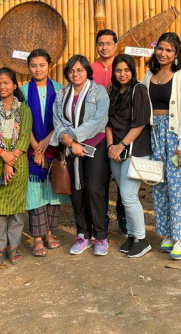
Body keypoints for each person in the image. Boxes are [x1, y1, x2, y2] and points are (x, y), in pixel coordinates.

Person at [141, 32, 181, 261]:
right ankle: (168, 233)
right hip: (156, 134)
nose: (163, 53)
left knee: (180, 187)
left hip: (177, 137)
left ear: (176, 54)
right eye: (160, 49)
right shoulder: (149, 75)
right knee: (160, 184)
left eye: (169, 50)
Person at [50, 54, 112, 256]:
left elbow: (99, 121)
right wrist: (69, 142)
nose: (75, 74)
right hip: (70, 149)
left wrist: (74, 138)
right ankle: (83, 234)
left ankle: (101, 236)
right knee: (76, 191)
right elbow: (58, 121)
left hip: (95, 148)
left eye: (80, 70)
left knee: (94, 190)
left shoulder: (99, 92)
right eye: (71, 70)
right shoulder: (62, 94)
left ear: (87, 71)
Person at [0, 68, 33, 265]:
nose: (2, 86)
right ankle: (0, 247)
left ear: (15, 85)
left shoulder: (24, 110)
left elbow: (25, 136)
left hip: (18, 163)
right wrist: (3, 155)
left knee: (16, 209)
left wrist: (11, 159)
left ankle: (14, 246)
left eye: (6, 82)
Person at [22, 49, 68, 257]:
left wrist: (46, 143)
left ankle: (49, 233)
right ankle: (37, 237)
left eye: (42, 65)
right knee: (34, 193)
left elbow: (62, 121)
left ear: (50, 66)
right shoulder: (22, 91)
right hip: (31, 152)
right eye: (33, 65)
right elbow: (22, 123)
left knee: (51, 192)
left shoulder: (60, 90)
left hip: (53, 147)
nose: (38, 69)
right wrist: (36, 147)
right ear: (28, 67)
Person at [107, 54, 153, 257]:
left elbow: (141, 123)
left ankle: (142, 240)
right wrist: (111, 147)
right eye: (118, 70)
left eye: (126, 70)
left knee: (128, 195)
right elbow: (108, 123)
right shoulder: (113, 92)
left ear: (132, 71)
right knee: (124, 195)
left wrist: (121, 146)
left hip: (135, 152)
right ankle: (132, 236)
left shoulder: (139, 90)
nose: (122, 74)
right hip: (115, 152)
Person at [93, 28, 128, 234]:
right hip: (97, 133)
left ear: (115, 45)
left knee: (124, 180)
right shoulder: (90, 69)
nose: (104, 47)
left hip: (122, 132)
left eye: (108, 43)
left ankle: (124, 220)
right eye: (100, 43)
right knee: (101, 180)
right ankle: (101, 221)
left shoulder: (123, 66)